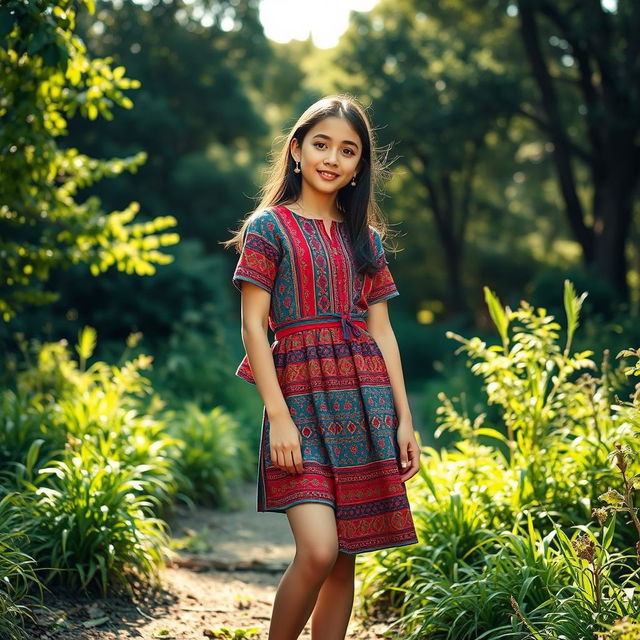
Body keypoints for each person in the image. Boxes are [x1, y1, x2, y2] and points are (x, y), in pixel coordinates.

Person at [225, 94, 420, 640]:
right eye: (321, 144)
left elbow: (383, 332)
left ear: (360, 165)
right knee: (318, 550)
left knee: (345, 558)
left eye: (348, 149)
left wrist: (404, 420)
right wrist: (278, 417)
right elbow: (252, 327)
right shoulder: (270, 226)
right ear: (296, 150)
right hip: (299, 404)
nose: (332, 158)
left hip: (365, 403)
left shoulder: (367, 239)